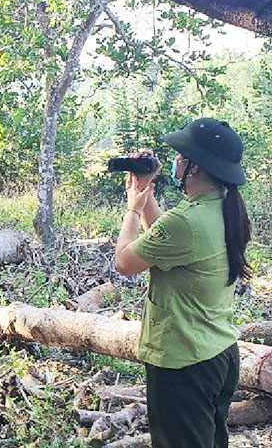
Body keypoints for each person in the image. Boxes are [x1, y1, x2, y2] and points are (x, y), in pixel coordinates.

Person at [114, 118, 251, 448]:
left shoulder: (187, 221)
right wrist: (145, 195)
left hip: (183, 363)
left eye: (180, 156)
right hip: (218, 354)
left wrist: (132, 210)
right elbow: (168, 238)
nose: (174, 162)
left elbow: (125, 262)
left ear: (195, 168)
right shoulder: (223, 207)